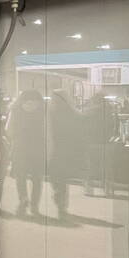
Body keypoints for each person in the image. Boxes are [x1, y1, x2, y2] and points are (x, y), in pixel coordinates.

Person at [8, 89, 46, 216]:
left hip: (20, 148)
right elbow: (47, 131)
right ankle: (34, 206)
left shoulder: (15, 110)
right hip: (37, 148)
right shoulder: (42, 111)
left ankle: (23, 199)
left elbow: (8, 130)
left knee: (21, 176)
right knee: (37, 179)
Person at [47, 89, 83, 221]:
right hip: (64, 151)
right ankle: (61, 204)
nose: (52, 100)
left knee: (58, 179)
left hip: (58, 151)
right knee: (60, 180)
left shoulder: (51, 113)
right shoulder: (73, 113)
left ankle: (60, 203)